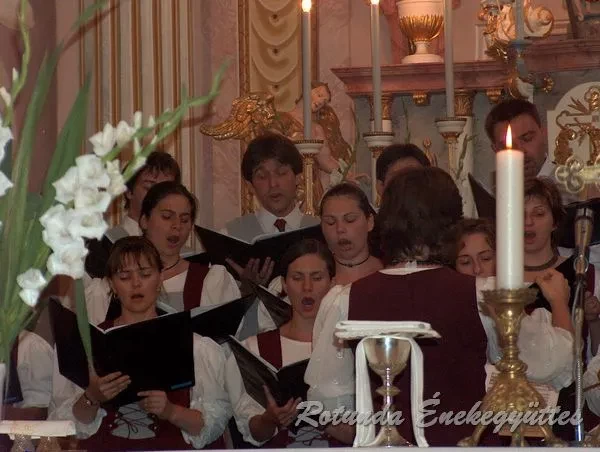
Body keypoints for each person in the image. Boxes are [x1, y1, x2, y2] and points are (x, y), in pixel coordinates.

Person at [306, 167, 574, 446]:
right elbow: (553, 362)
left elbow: (331, 408)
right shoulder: (481, 295)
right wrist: (559, 302)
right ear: (451, 226)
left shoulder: (346, 299)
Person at [49, 236, 231, 450]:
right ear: (112, 284)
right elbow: (65, 426)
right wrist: (92, 397)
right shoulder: (88, 343)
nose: (136, 284)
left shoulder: (194, 346)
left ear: (160, 278)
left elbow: (212, 425)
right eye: (124, 277)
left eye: (145, 274)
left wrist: (171, 411)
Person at [226, 239, 338, 447]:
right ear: (285, 284)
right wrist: (270, 418)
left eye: (317, 278)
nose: (307, 287)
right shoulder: (256, 349)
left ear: (332, 283)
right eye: (297, 278)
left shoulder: (348, 345)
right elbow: (254, 431)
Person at [85, 181, 240, 325]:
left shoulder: (211, 280)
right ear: (144, 221)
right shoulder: (106, 288)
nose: (177, 225)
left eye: (185, 220)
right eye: (167, 217)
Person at [223, 133, 319, 285]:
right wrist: (246, 288)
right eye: (262, 176)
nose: (273, 184)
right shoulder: (230, 235)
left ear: (298, 177)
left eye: (281, 173)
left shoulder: (320, 230)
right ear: (250, 186)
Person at [84, 150, 181, 280]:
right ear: (129, 191)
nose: (159, 197)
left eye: (166, 190)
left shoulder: (183, 253)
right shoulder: (103, 247)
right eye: (149, 188)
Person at [320, 182, 382, 285]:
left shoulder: (389, 272)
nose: (340, 229)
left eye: (350, 220)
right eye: (331, 222)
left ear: (369, 222)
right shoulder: (314, 280)